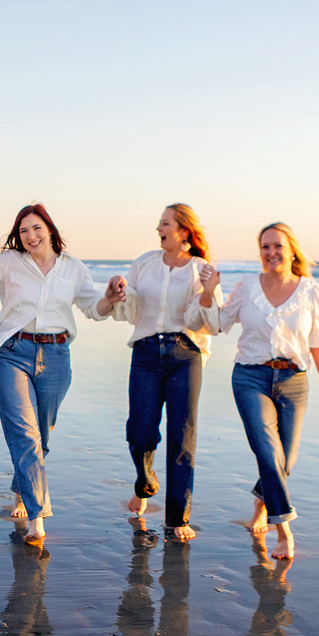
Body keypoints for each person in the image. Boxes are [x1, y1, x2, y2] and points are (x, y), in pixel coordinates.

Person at [0, 203, 125, 545]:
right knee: (24, 434)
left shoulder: (74, 269)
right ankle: (38, 518)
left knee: (41, 436)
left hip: (56, 356)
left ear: (49, 229)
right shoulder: (10, 263)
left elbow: (93, 309)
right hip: (12, 354)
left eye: (36, 228)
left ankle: (22, 488)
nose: (30, 236)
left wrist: (109, 298)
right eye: (23, 231)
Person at [197, 222, 319, 560]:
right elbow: (217, 324)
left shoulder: (310, 290)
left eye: (277, 246)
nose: (271, 253)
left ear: (291, 251)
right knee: (267, 450)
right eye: (265, 247)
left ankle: (262, 503)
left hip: (294, 381)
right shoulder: (247, 287)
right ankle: (284, 530)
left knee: (286, 459)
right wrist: (208, 291)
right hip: (250, 377)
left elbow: (318, 341)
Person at [113, 203, 219, 541]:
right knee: (140, 431)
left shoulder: (201, 269)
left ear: (183, 231)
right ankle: (145, 482)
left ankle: (177, 518)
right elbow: (131, 311)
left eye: (165, 223)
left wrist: (208, 291)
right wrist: (121, 291)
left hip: (185, 354)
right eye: (159, 223)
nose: (159, 228)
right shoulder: (144, 263)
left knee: (182, 436)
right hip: (144, 352)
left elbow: (198, 320)